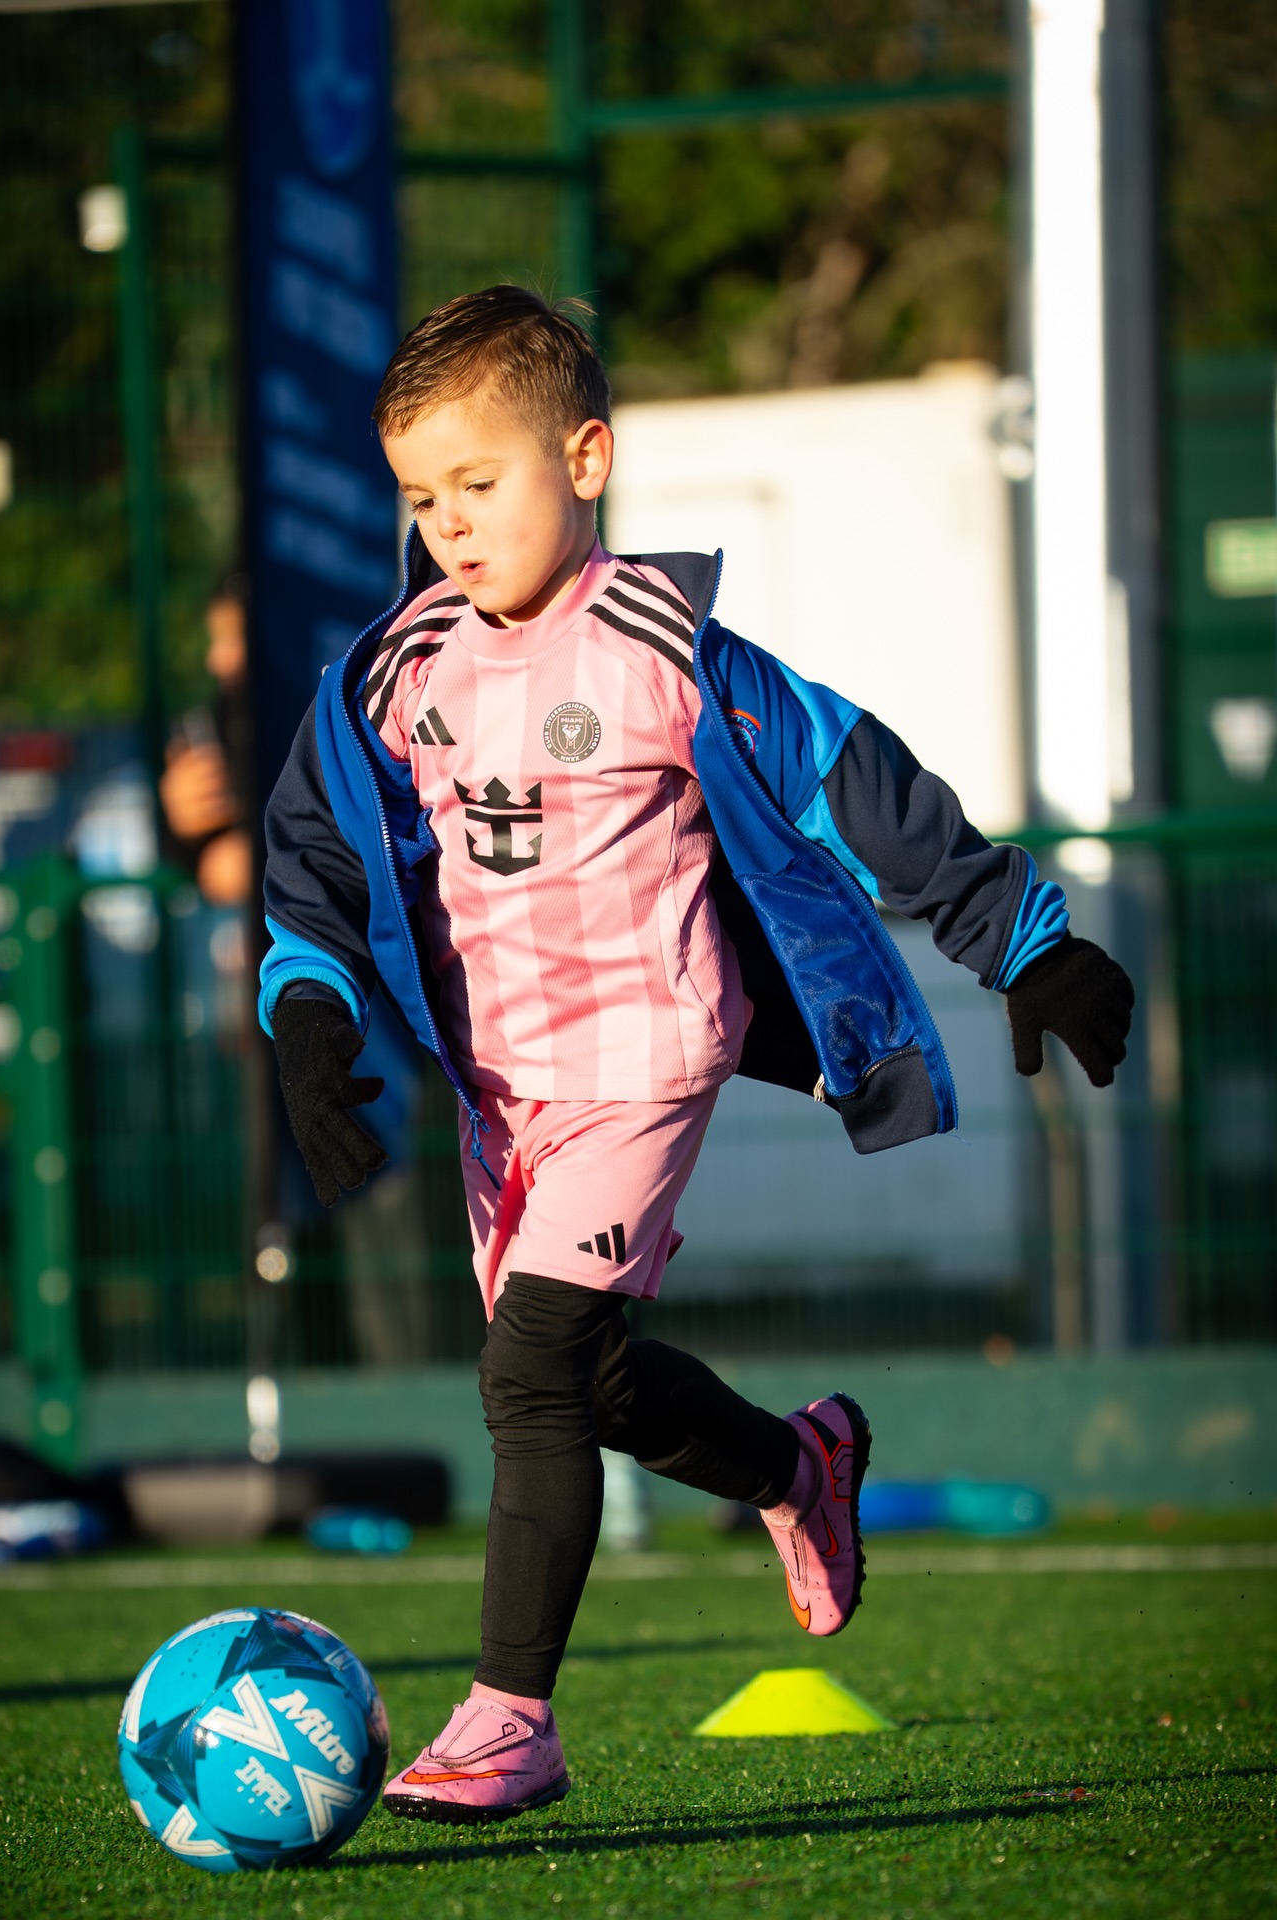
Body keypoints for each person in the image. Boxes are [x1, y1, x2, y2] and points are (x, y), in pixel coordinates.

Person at [258, 286, 1134, 1824]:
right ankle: (803, 1470)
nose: (449, 525)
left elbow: (859, 780)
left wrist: (1029, 939)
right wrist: (313, 1022)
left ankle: (508, 1720)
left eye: (481, 483)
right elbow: (313, 859)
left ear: (586, 458)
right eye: (421, 496)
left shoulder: (665, 643)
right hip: (503, 1096)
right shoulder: (395, 674)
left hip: (647, 1056)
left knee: (526, 1369)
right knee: (585, 1379)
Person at [159, 574, 253, 906]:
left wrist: (263, 857)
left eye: (232, 637)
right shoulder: (227, 714)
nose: (216, 660)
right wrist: (178, 822)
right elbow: (210, 867)